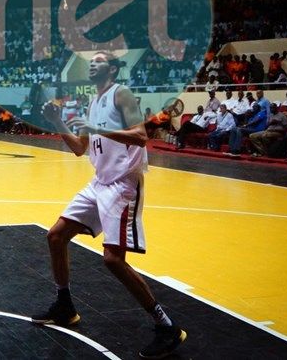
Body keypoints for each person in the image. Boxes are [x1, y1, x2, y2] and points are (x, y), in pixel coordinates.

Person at [30, 53, 186, 359]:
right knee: (56, 236)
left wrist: (97, 128)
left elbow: (140, 137)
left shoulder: (121, 94)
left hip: (123, 185)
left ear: (112, 69)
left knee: (113, 260)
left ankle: (166, 326)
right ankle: (65, 305)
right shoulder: (93, 102)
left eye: (99, 60)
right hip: (98, 183)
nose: (92, 63)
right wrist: (57, 121)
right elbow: (78, 149)